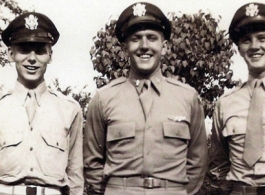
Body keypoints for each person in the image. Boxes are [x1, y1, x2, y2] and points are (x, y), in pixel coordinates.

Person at [83, 2, 207, 195]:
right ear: (125, 49)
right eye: (136, 39)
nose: (144, 46)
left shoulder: (187, 97)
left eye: (152, 38)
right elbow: (92, 162)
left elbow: (197, 162)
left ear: (164, 47)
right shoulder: (104, 98)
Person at [0, 12, 84, 195]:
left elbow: (75, 175)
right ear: (10, 54)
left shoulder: (69, 109)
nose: (32, 58)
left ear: (50, 55)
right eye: (24, 49)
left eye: (39, 50)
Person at [208, 2, 265, 195]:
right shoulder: (226, 103)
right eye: (247, 40)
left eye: (262, 38)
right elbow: (218, 163)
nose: (255, 46)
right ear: (239, 49)